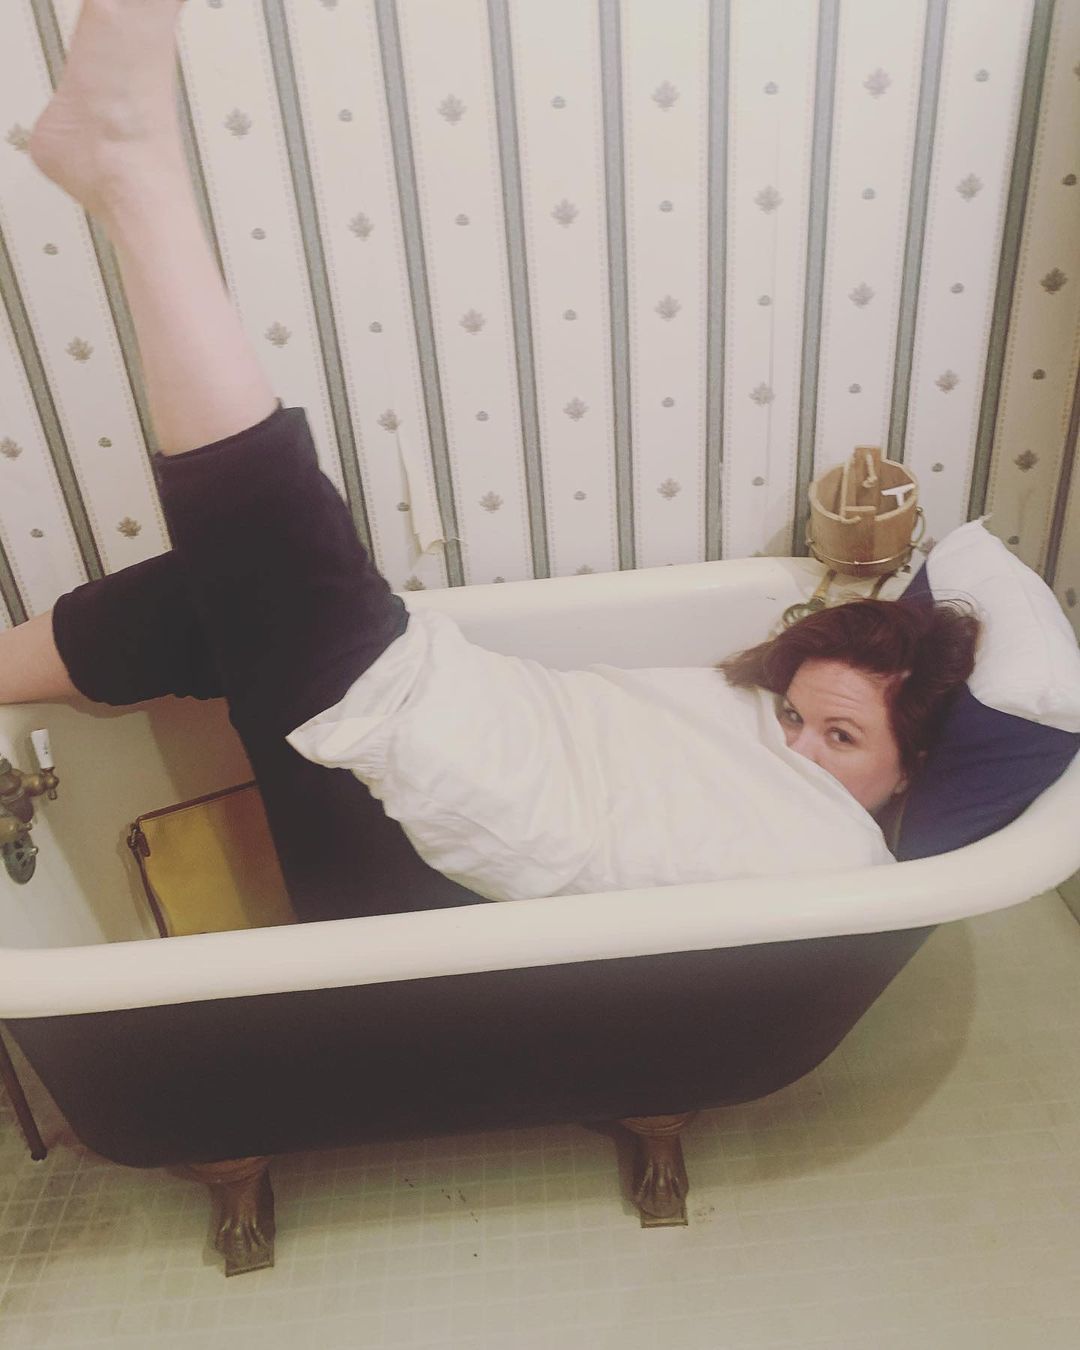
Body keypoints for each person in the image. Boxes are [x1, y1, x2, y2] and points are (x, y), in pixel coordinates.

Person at [1, 0, 979, 920]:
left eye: (841, 738)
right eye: (797, 718)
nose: (796, 747)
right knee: (222, 596)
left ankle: (132, 171)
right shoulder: (745, 734)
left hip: (426, 908)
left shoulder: (846, 867)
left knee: (287, 588)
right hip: (443, 801)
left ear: (913, 772)